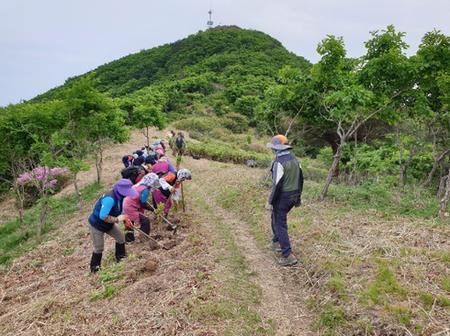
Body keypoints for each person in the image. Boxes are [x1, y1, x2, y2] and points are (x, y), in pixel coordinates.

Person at [265, 135, 303, 267]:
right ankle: (276, 242)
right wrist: (298, 198)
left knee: (280, 224)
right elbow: (301, 180)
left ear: (276, 148)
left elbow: (277, 185)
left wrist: (270, 201)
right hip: (293, 196)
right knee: (275, 218)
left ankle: (288, 255)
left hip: (283, 197)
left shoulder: (279, 162)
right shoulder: (295, 160)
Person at [88, 179, 139, 273]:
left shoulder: (119, 197)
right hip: (97, 225)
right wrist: (118, 219)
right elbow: (102, 216)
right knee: (99, 248)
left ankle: (121, 259)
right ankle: (95, 270)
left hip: (108, 224)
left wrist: (125, 219)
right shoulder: (109, 199)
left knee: (121, 237)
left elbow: (120, 209)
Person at [123, 173, 160, 243]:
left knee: (130, 222)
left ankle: (129, 240)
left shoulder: (139, 185)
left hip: (126, 205)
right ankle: (144, 239)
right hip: (130, 207)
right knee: (145, 221)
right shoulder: (145, 190)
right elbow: (143, 204)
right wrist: (153, 210)